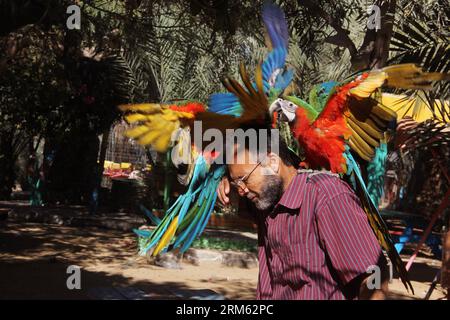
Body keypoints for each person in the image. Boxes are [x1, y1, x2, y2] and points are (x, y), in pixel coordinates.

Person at [217, 138, 389, 300]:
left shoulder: (326, 196)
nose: (242, 190)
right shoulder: (265, 201)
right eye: (236, 184)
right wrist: (226, 183)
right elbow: (234, 198)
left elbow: (374, 273)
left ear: (272, 162)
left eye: (244, 180)